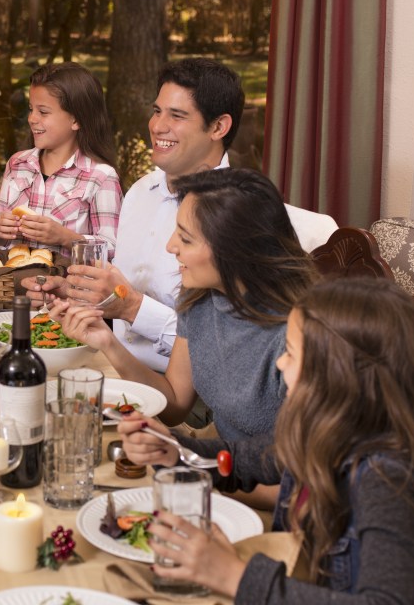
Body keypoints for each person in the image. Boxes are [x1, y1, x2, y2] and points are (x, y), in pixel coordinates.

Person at [118, 278, 414, 602]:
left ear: (335, 373)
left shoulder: (389, 479)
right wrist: (175, 450)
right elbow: (240, 461)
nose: (280, 364)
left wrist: (233, 575)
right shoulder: (327, 430)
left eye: (290, 352)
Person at [25, 59, 335, 374]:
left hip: (190, 393)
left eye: (177, 115)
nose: (157, 126)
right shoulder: (139, 193)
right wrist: (80, 292)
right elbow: (120, 293)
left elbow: (235, 348)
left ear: (218, 127)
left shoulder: (243, 218)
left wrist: (133, 308)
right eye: (157, 111)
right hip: (111, 364)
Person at [54, 168, 317, 441]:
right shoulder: (201, 299)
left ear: (236, 248)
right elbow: (174, 405)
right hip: (220, 465)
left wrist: (191, 460)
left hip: (259, 479)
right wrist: (107, 341)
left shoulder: (297, 335)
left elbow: (296, 473)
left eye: (186, 238)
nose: (170, 246)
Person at [0, 61, 122, 257]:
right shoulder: (17, 164)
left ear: (76, 120)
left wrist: (65, 237)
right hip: (12, 283)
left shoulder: (101, 177)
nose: (32, 118)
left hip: (67, 285)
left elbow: (112, 249)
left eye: (43, 112)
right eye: (31, 109)